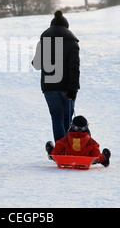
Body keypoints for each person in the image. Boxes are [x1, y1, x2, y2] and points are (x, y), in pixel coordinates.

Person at [32, 10, 80, 142]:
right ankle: (69, 149)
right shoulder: (72, 42)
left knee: (56, 118)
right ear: (66, 27)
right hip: (67, 87)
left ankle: (60, 150)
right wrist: (73, 89)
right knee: (67, 119)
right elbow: (74, 68)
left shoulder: (43, 41)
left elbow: (36, 65)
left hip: (49, 87)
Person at [46, 116, 111, 167]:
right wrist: (104, 158)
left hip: (67, 161)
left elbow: (56, 154)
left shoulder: (63, 141)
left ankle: (49, 153)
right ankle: (105, 160)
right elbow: (97, 157)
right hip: (85, 162)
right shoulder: (92, 143)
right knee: (100, 156)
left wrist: (51, 152)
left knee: (55, 153)